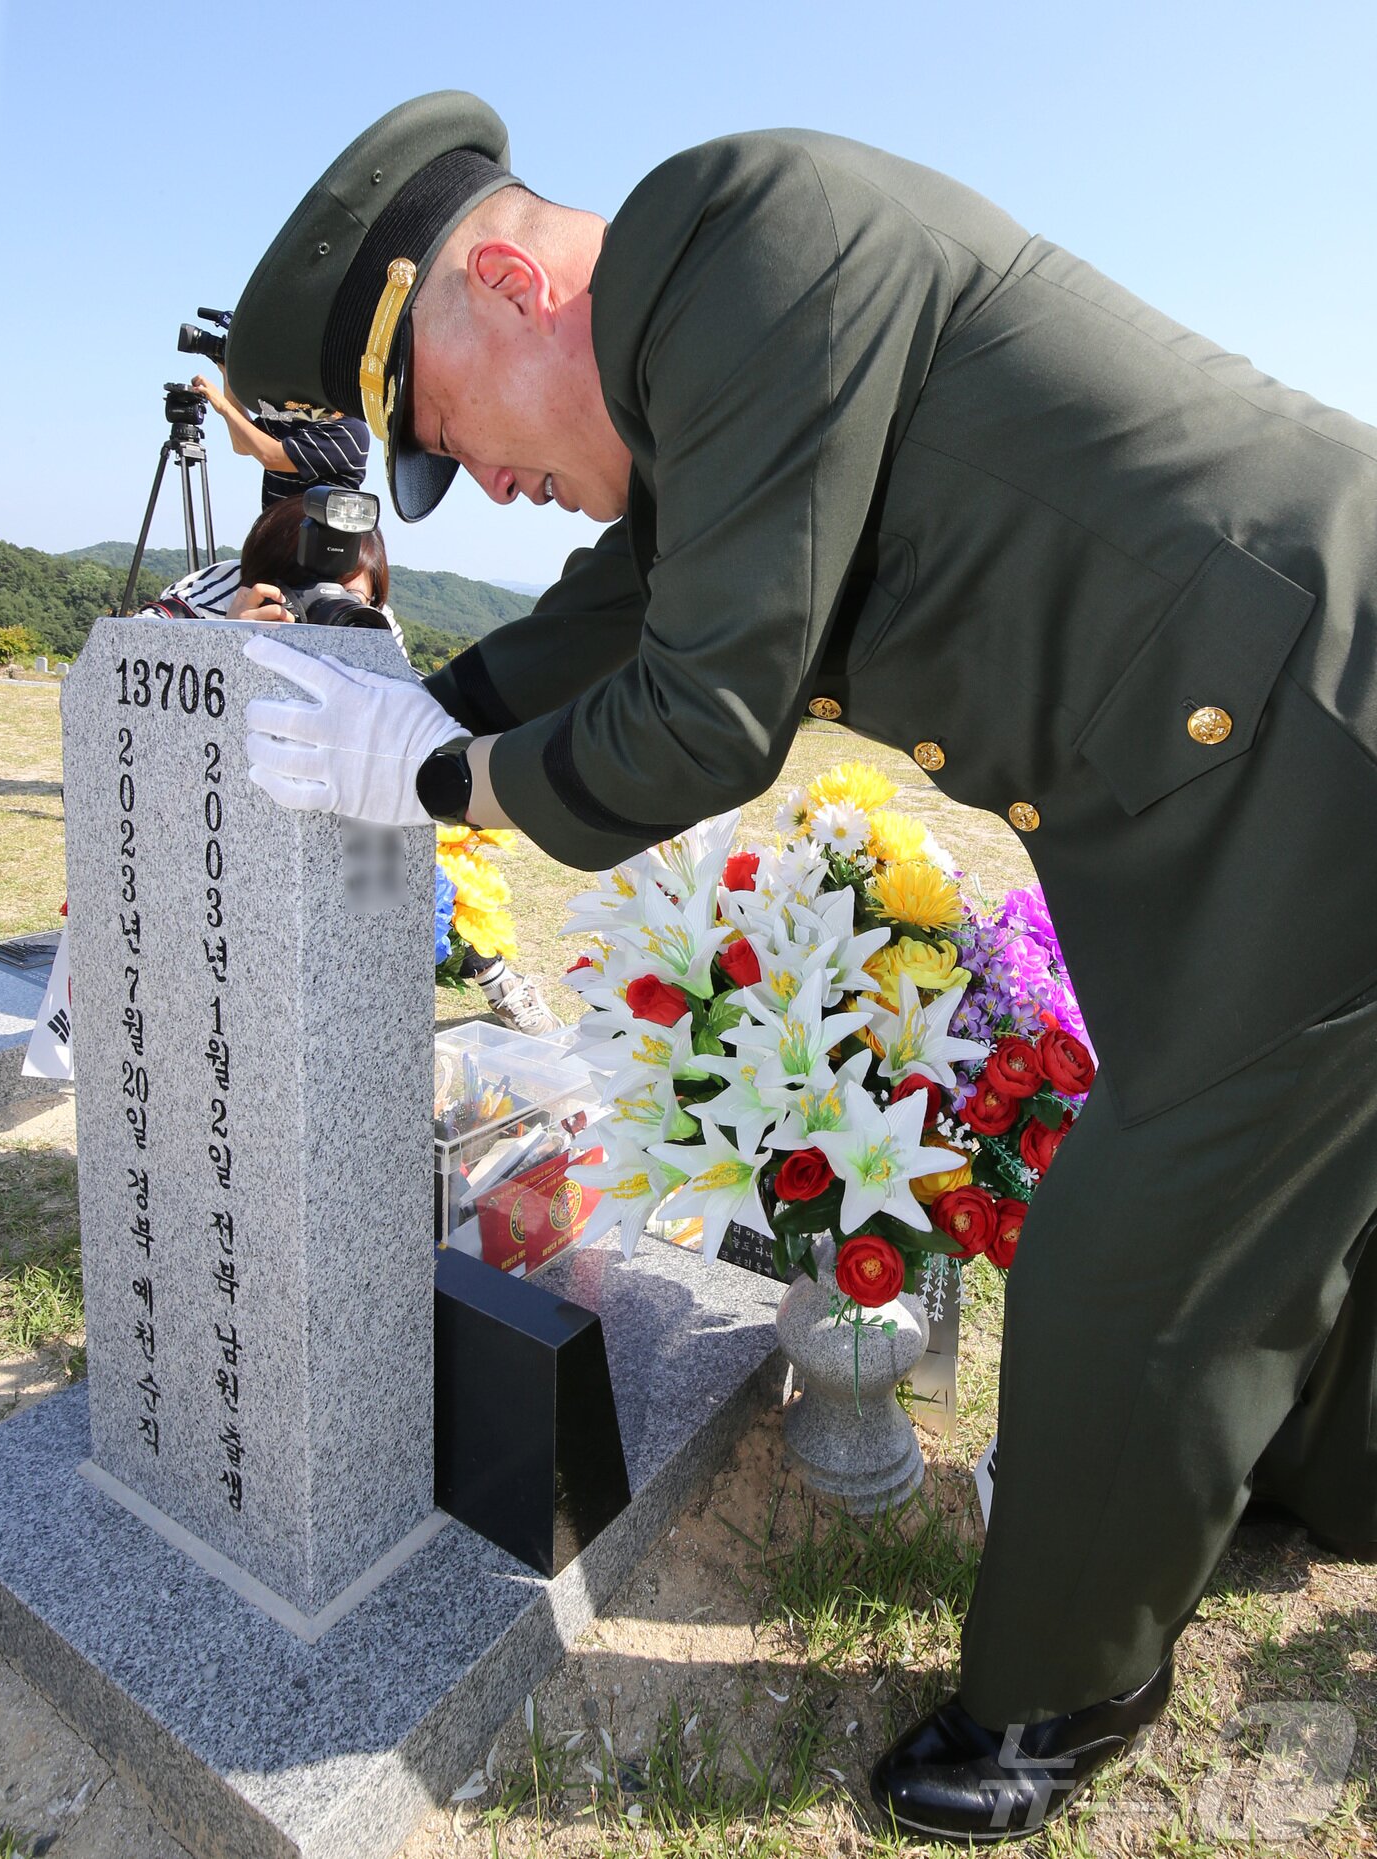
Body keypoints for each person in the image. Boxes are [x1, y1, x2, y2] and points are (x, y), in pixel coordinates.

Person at [223, 94, 1377, 1842]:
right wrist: (434, 701)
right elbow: (627, 602)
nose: (491, 484)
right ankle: (1324, 1468)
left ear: (516, 284)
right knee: (1279, 1178)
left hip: (1304, 724)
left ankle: (1073, 1679)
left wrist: (439, 779)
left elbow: (708, 706)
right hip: (1208, 768)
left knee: (1148, 1243)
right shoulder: (717, 354)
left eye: (447, 424)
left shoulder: (744, 227)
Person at [152, 490, 561, 1037]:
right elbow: (125, 703)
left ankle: (489, 973)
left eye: (351, 595)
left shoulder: (366, 620)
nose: (334, 609)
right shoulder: (209, 597)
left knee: (430, 865)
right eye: (313, 595)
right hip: (221, 802)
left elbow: (405, 709)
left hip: (335, 787)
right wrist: (222, 645)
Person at [190, 366, 369, 511]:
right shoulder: (301, 417)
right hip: (277, 540)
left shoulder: (349, 430)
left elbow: (272, 457)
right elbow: (242, 445)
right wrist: (228, 374)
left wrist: (223, 406)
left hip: (321, 548)